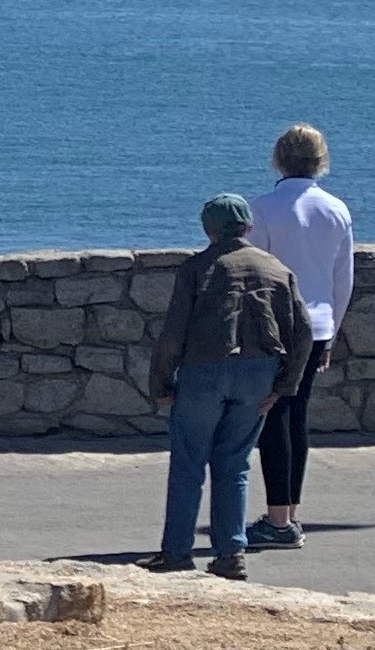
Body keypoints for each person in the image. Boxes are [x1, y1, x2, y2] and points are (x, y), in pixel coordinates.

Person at [150, 192, 311, 577]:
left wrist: (161, 383)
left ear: (208, 230)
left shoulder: (197, 269)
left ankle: (176, 552)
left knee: (189, 462)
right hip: (257, 374)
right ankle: (230, 555)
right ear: (248, 228)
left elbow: (173, 334)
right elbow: (302, 332)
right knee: (234, 464)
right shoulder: (276, 269)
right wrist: (285, 384)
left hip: (204, 372)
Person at [249, 125, 353, 549]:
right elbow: (342, 280)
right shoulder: (336, 210)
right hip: (318, 325)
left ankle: (277, 522)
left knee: (273, 417)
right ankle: (289, 513)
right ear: (320, 161)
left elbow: (254, 275)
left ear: (278, 159)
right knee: (297, 417)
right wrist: (330, 334)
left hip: (275, 327)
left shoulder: (263, 209)